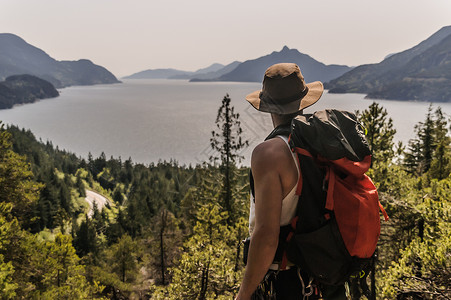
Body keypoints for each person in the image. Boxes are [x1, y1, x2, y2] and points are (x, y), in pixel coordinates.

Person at [236, 63, 347, 300]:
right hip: (324, 277)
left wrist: (243, 295)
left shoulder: (269, 154)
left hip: (285, 282)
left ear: (267, 107)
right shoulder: (321, 143)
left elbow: (266, 236)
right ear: (304, 100)